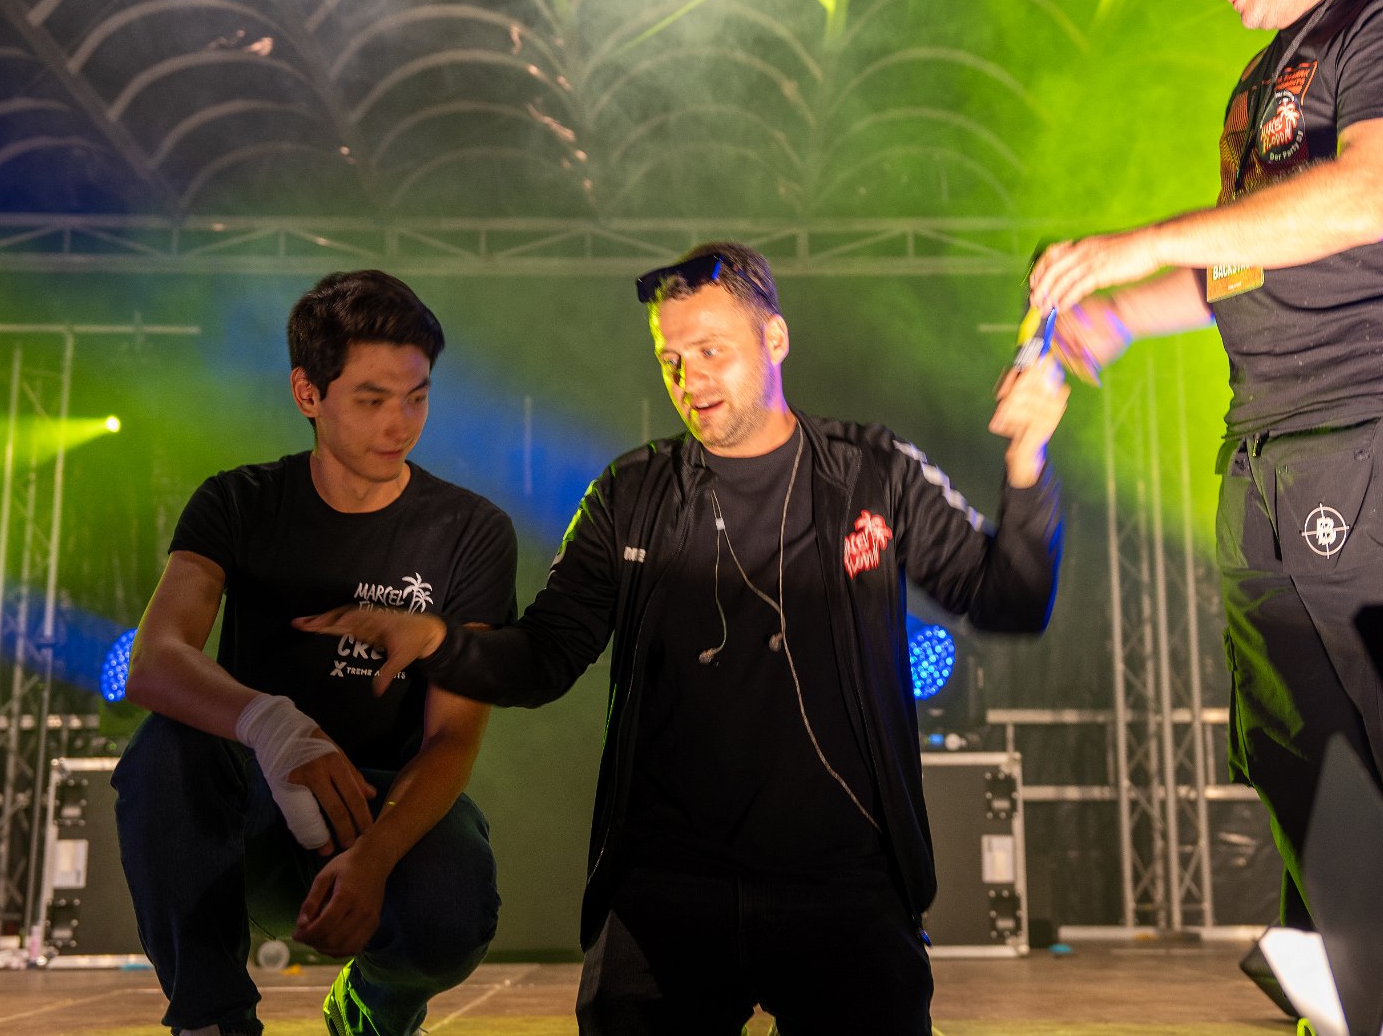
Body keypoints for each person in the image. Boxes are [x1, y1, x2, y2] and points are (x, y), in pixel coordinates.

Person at [297, 242, 1069, 1035]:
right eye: (670, 358)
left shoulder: (874, 473)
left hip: (847, 884)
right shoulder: (630, 494)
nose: (689, 378)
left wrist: (1027, 455)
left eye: (710, 351)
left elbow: (1011, 598)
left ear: (775, 339)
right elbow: (544, 657)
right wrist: (439, 641)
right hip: (665, 890)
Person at [1028, 0, 1383, 931]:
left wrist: (1138, 240)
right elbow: (1242, 262)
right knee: (1298, 754)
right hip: (1263, 446)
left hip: (1379, 426)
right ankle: (1341, 978)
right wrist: (1107, 318)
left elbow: (1364, 198)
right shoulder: (1258, 82)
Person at [114, 269, 516, 1036]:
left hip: (382, 812)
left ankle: (373, 1005)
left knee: (454, 906)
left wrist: (376, 855)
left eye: (417, 396)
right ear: (308, 393)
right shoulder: (239, 502)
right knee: (161, 751)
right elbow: (155, 658)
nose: (399, 423)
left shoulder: (471, 531)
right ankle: (211, 1019)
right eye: (371, 399)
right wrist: (272, 725)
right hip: (255, 807)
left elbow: (453, 734)